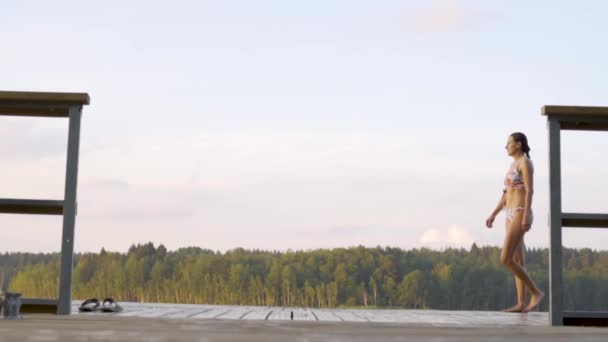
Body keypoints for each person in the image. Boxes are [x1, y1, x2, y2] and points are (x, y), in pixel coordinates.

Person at [485, 132, 544, 313]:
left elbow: (529, 191)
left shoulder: (525, 163)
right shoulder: (512, 166)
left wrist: (526, 215)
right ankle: (521, 303)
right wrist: (494, 214)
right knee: (517, 260)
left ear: (518, 144)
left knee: (505, 258)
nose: (506, 146)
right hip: (509, 214)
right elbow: (506, 194)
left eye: (509, 143)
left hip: (520, 212)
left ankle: (536, 292)